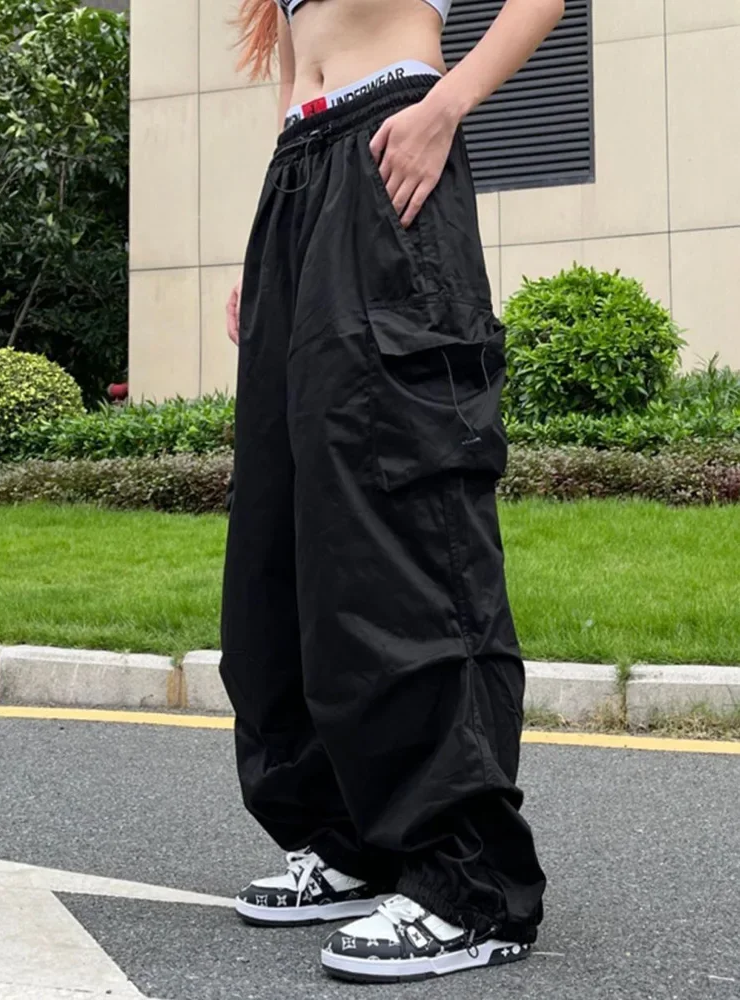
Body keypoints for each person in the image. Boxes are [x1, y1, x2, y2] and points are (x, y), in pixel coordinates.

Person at [220, 0, 562, 983]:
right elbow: (298, 65)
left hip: (391, 146)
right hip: (301, 176)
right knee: (286, 537)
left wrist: (446, 106)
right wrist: (273, 234)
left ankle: (471, 883)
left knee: (404, 515)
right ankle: (346, 839)